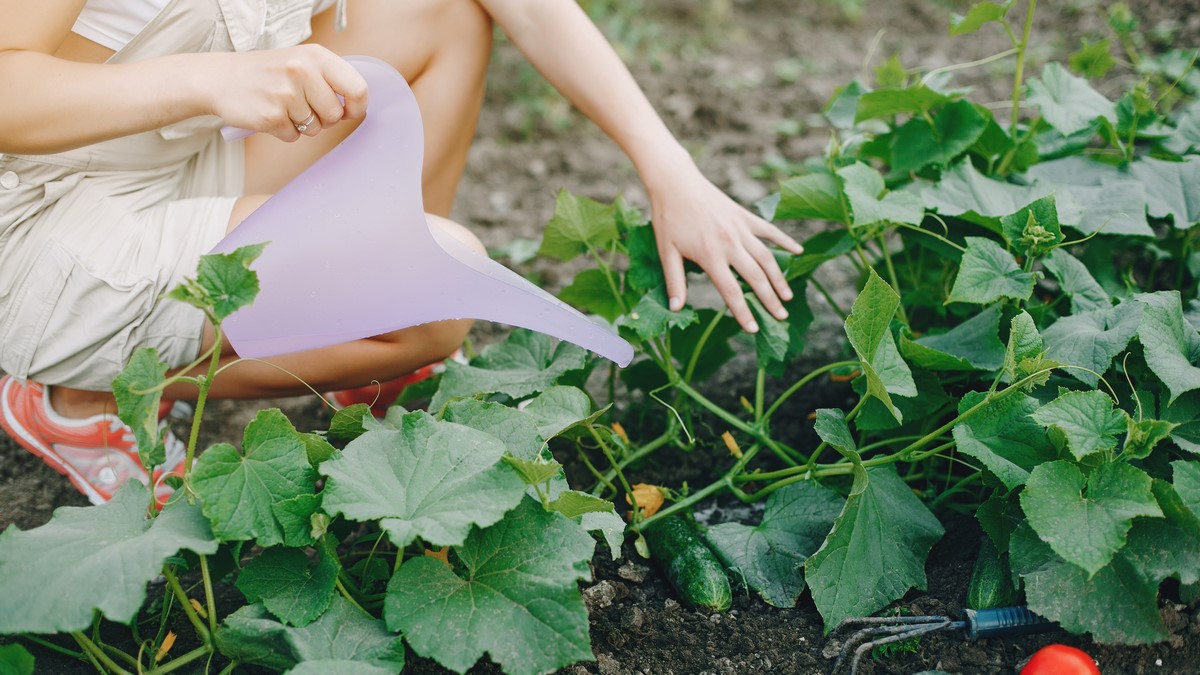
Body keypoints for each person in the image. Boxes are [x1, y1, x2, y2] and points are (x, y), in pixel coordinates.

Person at [0, 0, 803, 505]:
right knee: (438, 292)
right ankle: (81, 399)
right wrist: (213, 79)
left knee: (443, 13)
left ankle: (362, 346)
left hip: (173, 160)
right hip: (48, 229)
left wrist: (672, 173)